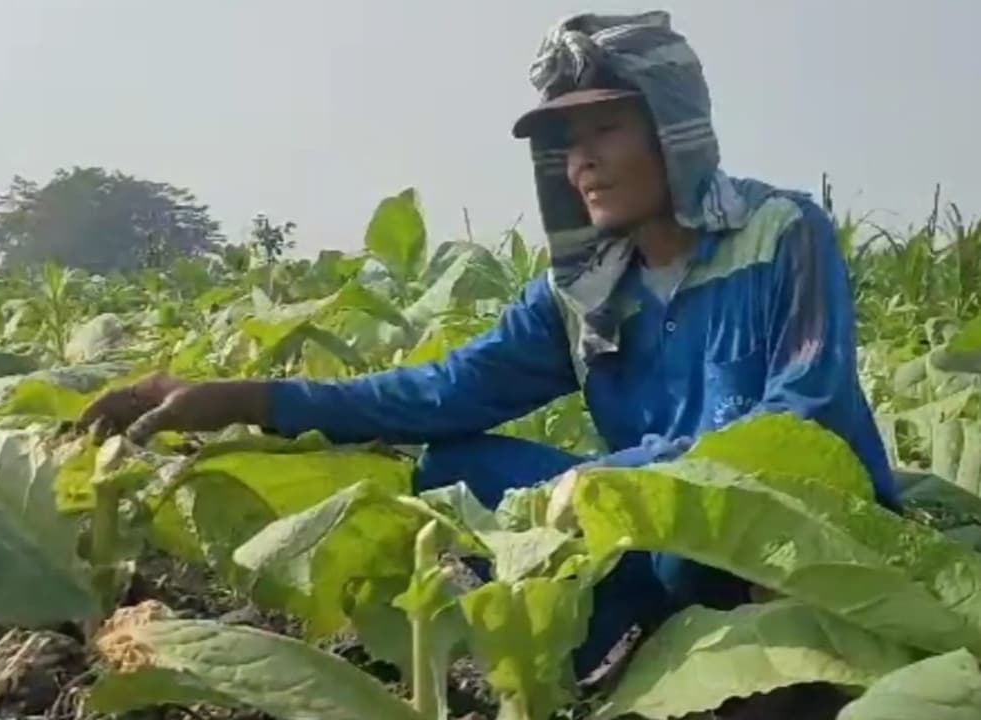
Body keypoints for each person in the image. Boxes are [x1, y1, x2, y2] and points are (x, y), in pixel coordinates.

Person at [77, 12, 901, 681]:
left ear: (673, 128)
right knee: (450, 469)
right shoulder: (584, 291)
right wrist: (246, 399)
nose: (581, 163)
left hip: (791, 540)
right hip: (653, 524)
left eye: (605, 130)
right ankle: (590, 653)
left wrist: (616, 478)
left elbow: (805, 415)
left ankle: (763, 667)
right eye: (567, 143)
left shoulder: (780, 233)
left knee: (694, 556)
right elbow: (441, 391)